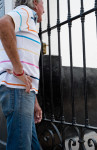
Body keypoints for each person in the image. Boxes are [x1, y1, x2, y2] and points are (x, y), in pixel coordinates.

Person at [0, 0, 44, 149]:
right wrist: (18, 70)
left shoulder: (27, 20)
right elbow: (3, 24)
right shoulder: (26, 11)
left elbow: (27, 65)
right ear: (35, 2)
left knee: (32, 145)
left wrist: (34, 101)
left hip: (23, 93)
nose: (43, 10)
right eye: (43, 5)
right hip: (17, 91)